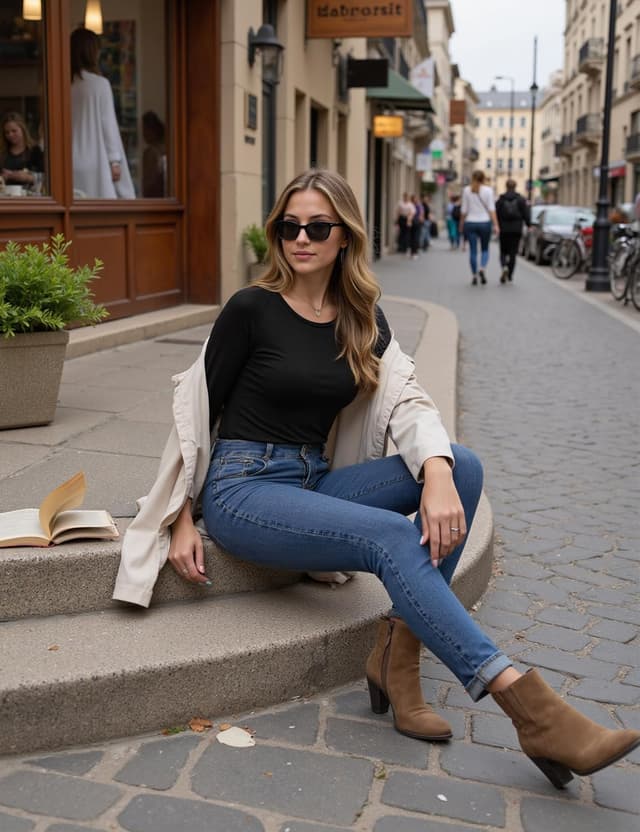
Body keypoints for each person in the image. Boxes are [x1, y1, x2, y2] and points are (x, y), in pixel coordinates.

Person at [113, 168, 639, 788]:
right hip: (244, 488)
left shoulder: (363, 319)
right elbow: (193, 414)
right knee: (391, 536)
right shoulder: (251, 309)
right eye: (289, 227)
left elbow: (409, 401)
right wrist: (179, 516)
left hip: (313, 481)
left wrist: (436, 472)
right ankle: (528, 708)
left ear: (345, 236)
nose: (300, 238)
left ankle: (396, 654)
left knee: (463, 466)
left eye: (317, 227)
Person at [70, 27, 135, 199]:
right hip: (96, 162)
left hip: (69, 162)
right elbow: (108, 124)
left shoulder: (63, 85)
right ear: (92, 53)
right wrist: (114, 160)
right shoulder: (100, 84)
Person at [460, 170, 499, 285]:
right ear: (483, 178)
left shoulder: (466, 190)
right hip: (484, 222)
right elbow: (492, 209)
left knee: (473, 251)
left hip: (470, 222)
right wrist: (496, 225)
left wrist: (461, 224)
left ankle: (474, 275)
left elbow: (464, 210)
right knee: (485, 249)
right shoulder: (488, 191)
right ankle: (482, 268)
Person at [496, 179, 530, 283]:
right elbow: (526, 214)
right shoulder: (521, 199)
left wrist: (496, 225)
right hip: (516, 229)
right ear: (515, 187)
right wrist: (529, 224)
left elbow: (496, 214)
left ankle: (504, 266)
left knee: (503, 251)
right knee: (513, 253)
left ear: (506, 186)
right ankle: (510, 274)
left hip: (503, 229)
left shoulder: (500, 200)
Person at [0, 111, 44, 190]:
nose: (10, 135)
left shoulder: (35, 151)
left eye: (14, 131)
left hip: (29, 196)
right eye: (7, 132)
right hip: (5, 195)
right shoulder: (2, 152)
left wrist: (28, 177)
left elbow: (48, 178)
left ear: (23, 129)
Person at [142, 110, 167, 198]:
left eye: (145, 129)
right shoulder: (164, 150)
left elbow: (150, 184)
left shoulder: (151, 153)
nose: (143, 133)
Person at [409, 194, 424, 259]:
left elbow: (421, 214)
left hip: (416, 223)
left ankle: (414, 252)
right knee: (414, 238)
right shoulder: (413, 205)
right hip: (413, 222)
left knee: (415, 238)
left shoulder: (417, 206)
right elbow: (421, 214)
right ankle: (413, 252)